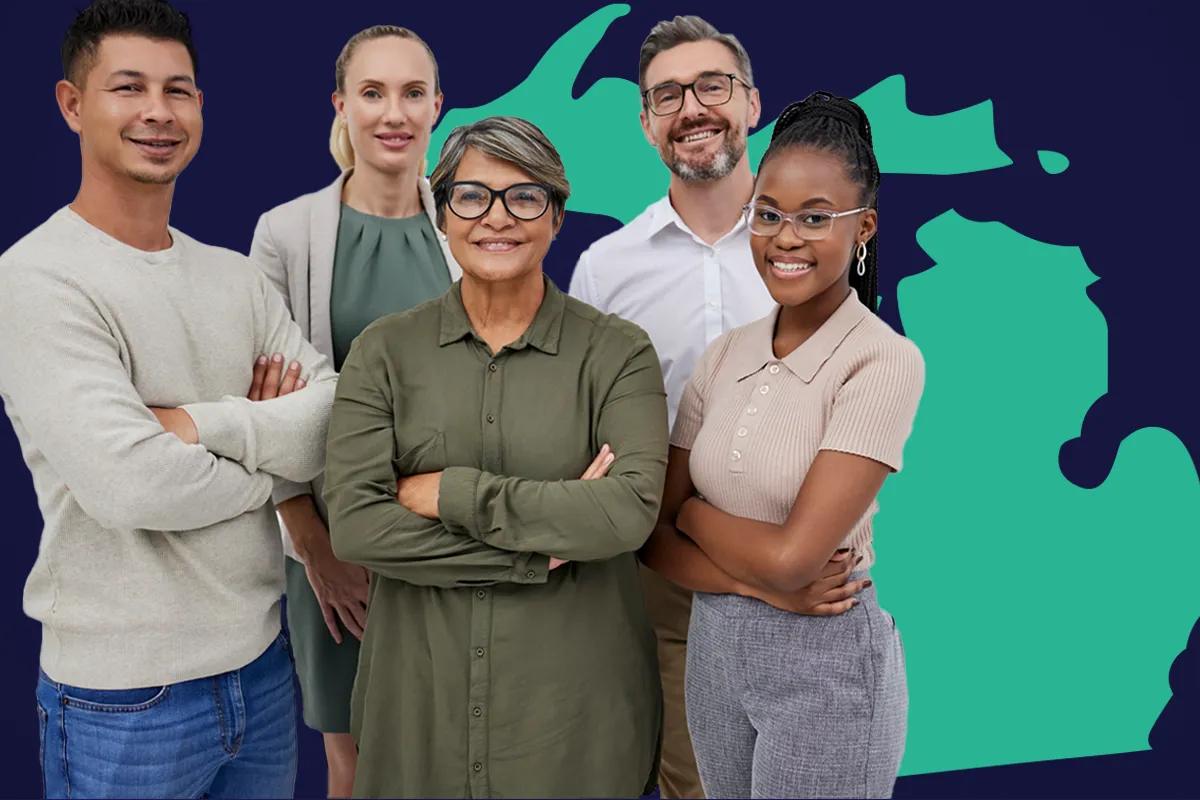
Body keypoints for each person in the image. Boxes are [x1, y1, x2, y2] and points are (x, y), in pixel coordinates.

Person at [0, 0, 340, 797]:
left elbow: (333, 419)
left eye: (178, 89)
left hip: (261, 672)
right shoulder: (35, 281)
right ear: (72, 104)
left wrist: (200, 424)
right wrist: (273, 456)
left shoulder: (234, 276)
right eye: (128, 87)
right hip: (123, 700)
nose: (158, 111)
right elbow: (132, 483)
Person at [322, 115, 667, 798]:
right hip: (417, 722)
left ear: (557, 215)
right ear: (441, 213)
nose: (497, 218)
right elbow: (357, 526)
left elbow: (625, 513)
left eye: (525, 196)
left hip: (575, 729)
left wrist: (449, 493)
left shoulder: (619, 354)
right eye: (473, 196)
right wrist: (535, 551)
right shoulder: (383, 353)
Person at [567, 15, 866, 798]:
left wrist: (801, 558)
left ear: (752, 103)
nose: (692, 107)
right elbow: (590, 435)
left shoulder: (814, 249)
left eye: (712, 86)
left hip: (810, 546)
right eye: (667, 95)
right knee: (698, 779)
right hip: (668, 569)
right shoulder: (604, 270)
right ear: (645, 122)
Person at [641, 91, 924, 799]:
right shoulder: (723, 355)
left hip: (823, 667)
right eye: (767, 214)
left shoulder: (881, 361)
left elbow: (798, 561)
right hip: (714, 654)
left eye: (815, 217)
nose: (785, 237)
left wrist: (699, 517)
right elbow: (654, 538)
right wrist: (748, 578)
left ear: (864, 229)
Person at [246, 24, 459, 797]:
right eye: (372, 93)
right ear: (342, 105)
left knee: (456, 753)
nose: (392, 113)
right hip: (336, 548)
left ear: (439, 105)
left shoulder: (470, 227)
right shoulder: (285, 235)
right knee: (357, 763)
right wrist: (315, 548)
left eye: (411, 93)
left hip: (457, 541)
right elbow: (265, 409)